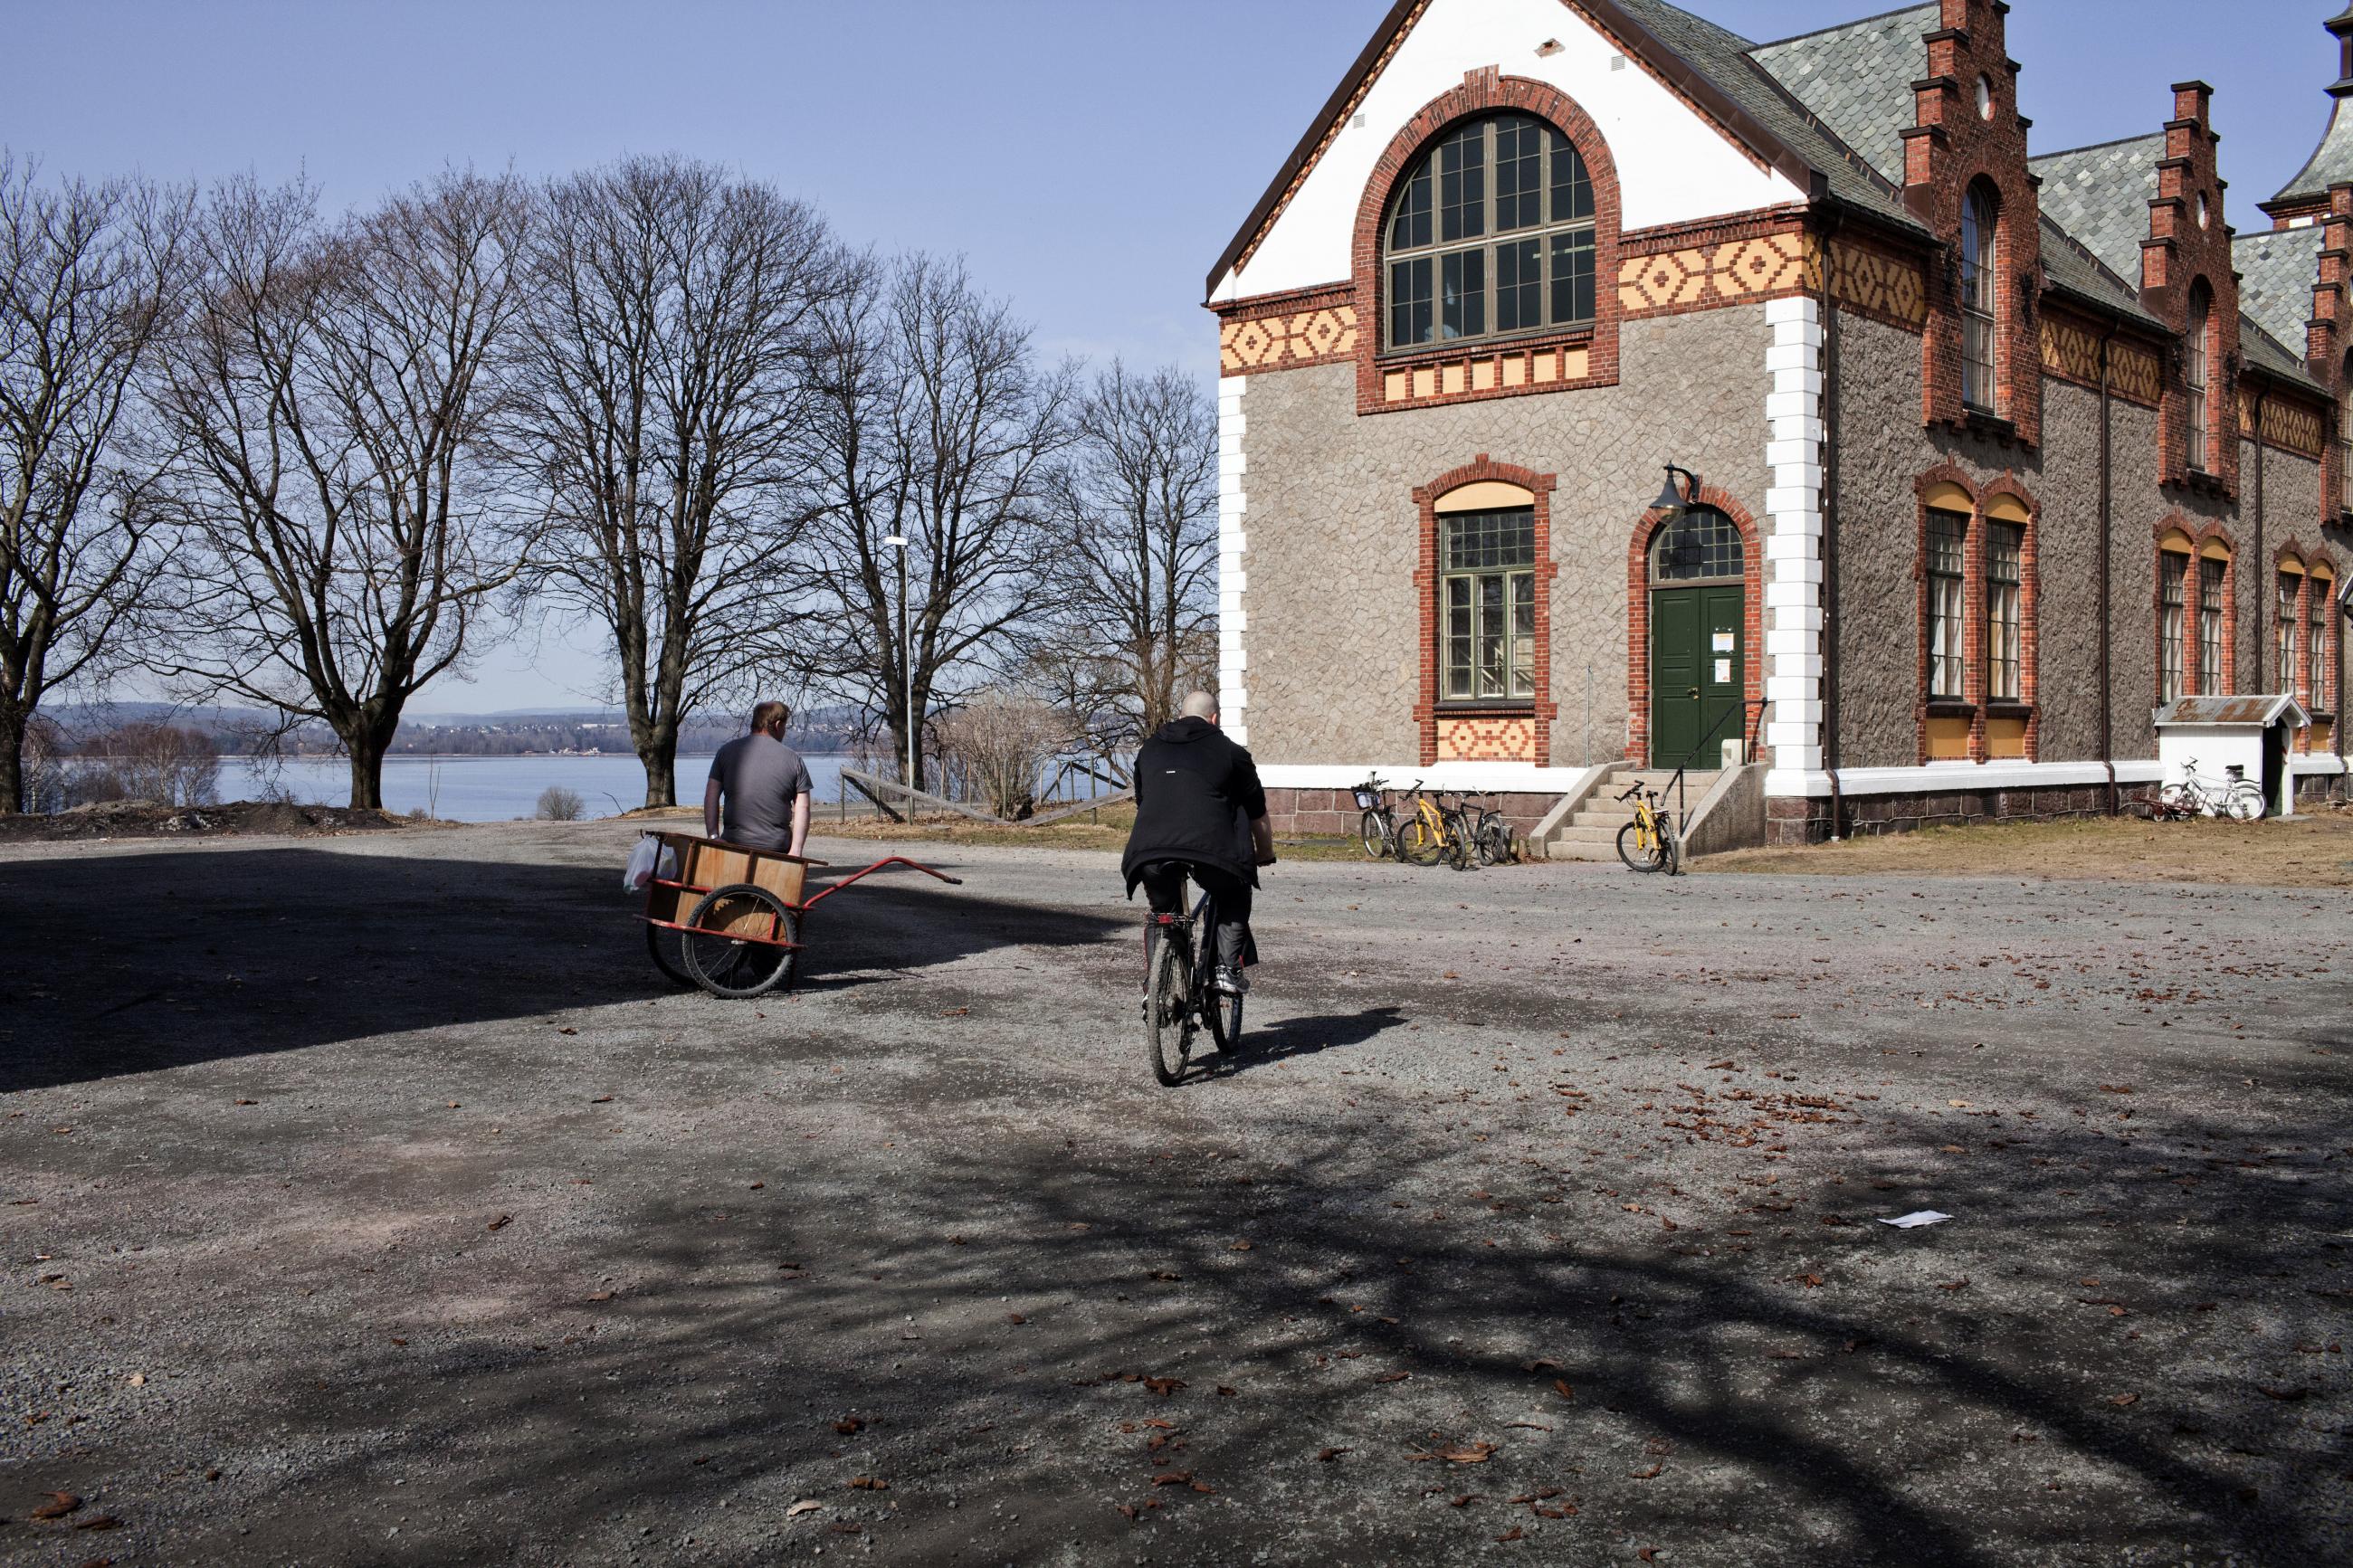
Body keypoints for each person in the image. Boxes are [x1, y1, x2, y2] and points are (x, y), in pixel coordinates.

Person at [1121, 690, 1274, 994]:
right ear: (1214, 718)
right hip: (1213, 851)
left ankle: (1157, 987)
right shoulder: (1232, 752)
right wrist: (1265, 852)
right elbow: (1257, 813)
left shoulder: (1149, 749)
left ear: (1181, 715)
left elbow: (1143, 799)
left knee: (1163, 913)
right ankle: (1226, 971)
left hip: (1150, 849)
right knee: (1233, 893)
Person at [705, 700, 814, 858]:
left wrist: (713, 836)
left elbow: (711, 796)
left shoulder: (725, 752)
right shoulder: (794, 760)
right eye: (785, 727)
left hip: (732, 844)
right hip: (776, 847)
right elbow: (803, 808)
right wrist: (796, 850)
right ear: (777, 725)